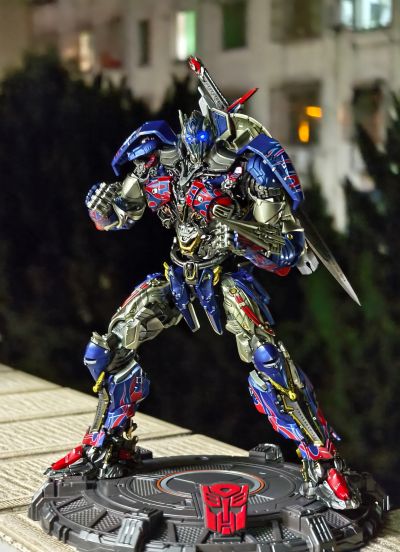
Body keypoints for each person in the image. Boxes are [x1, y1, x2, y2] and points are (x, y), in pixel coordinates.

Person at [48, 57, 360, 511]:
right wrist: (100, 206)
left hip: (225, 278)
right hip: (177, 276)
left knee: (270, 360)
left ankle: (323, 460)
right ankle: (108, 444)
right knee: (106, 350)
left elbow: (284, 249)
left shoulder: (247, 170)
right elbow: (116, 217)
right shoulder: (158, 162)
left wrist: (238, 228)